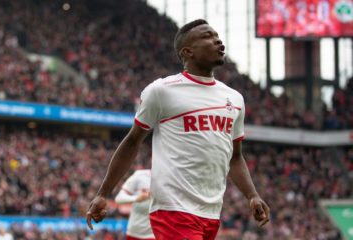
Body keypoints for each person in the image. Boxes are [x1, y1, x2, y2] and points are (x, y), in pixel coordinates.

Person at [86, 19, 270, 240]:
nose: (218, 40)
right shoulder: (162, 91)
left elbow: (235, 156)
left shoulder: (235, 98)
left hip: (211, 211)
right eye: (207, 36)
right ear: (187, 52)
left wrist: (252, 195)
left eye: (217, 36)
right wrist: (103, 194)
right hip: (172, 208)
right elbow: (133, 141)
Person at [114, 169, 155, 240]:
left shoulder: (172, 178)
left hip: (156, 233)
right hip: (135, 232)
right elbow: (118, 198)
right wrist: (137, 198)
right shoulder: (140, 175)